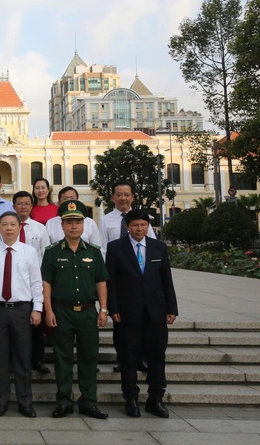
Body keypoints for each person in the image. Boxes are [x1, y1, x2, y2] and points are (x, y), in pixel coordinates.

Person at [106, 209, 178, 419]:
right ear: (127, 227)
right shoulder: (115, 248)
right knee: (128, 356)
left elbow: (167, 279)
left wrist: (172, 308)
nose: (140, 229)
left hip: (155, 313)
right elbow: (111, 282)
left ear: (148, 226)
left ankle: (155, 398)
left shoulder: (158, 248)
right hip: (127, 313)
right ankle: (130, 398)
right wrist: (113, 309)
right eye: (135, 225)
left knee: (157, 356)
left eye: (143, 225)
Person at [42, 200, 110, 420]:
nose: (73, 226)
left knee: (89, 358)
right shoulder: (52, 252)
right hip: (62, 311)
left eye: (77, 222)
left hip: (88, 312)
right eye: (69, 222)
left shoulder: (93, 252)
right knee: (62, 358)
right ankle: (64, 401)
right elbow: (47, 284)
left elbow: (101, 282)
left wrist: (104, 310)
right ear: (61, 225)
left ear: (84, 226)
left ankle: (88, 402)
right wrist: (48, 310)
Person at [0, 212, 43, 418]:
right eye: (4, 224)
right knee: (0, 357)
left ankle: (25, 401)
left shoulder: (29, 252)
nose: (8, 228)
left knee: (23, 357)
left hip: (22, 310)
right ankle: (1, 400)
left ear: (19, 227)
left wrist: (37, 308)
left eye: (12, 224)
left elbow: (36, 282)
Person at [98, 180, 155, 373]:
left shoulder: (141, 218)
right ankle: (122, 358)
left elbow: (153, 245)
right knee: (121, 323)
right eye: (119, 195)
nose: (123, 198)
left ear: (132, 197)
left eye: (126, 194)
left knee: (144, 322)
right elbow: (103, 249)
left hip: (141, 278)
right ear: (113, 197)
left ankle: (142, 357)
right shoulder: (106, 220)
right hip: (119, 278)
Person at [11, 190, 52, 374]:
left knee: (35, 323)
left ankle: (38, 359)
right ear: (14, 206)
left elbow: (46, 254)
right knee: (13, 324)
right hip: (11, 282)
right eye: (20, 203)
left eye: (27, 203)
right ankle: (14, 360)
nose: (24, 207)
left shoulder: (39, 228)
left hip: (34, 281)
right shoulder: (5, 227)